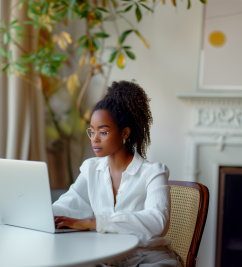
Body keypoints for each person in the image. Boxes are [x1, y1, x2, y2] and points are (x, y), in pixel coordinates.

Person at [52, 80, 182, 267]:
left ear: (125, 133)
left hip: (147, 257)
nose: (95, 139)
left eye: (103, 132)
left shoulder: (154, 173)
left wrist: (94, 222)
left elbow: (157, 222)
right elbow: (69, 204)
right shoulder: (90, 169)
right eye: (92, 131)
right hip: (106, 258)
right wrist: (41, 213)